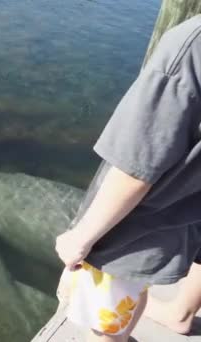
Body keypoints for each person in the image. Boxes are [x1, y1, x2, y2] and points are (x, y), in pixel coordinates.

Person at [55, 15, 201, 342]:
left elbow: (138, 167)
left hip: (145, 222)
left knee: (105, 322)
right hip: (194, 204)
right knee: (137, 289)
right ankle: (179, 314)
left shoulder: (191, 46)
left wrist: (81, 239)